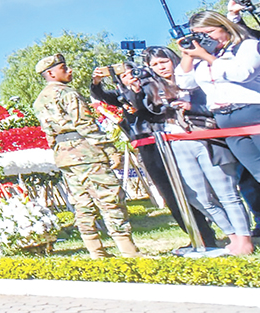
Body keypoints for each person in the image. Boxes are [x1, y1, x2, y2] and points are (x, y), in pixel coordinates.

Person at [90, 64, 221, 250]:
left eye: (130, 73)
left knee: (185, 190)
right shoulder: (123, 95)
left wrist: (136, 89)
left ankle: (206, 234)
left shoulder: (152, 89)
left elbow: (147, 108)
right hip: (146, 147)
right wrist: (96, 82)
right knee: (168, 193)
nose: (128, 78)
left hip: (164, 142)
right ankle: (194, 234)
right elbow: (103, 96)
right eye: (123, 76)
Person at [138, 47, 254, 255]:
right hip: (177, 144)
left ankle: (244, 240)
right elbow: (147, 112)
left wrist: (191, 106)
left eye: (163, 62)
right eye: (154, 65)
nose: (160, 67)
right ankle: (232, 236)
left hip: (208, 141)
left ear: (173, 59)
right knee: (197, 196)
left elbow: (217, 105)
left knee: (227, 194)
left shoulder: (195, 76)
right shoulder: (151, 87)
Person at [33, 53, 142, 258]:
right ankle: (128, 250)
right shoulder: (67, 93)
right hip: (86, 153)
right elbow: (85, 124)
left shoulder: (39, 101)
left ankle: (95, 250)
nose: (69, 70)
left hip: (64, 156)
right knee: (110, 198)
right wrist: (109, 149)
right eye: (64, 68)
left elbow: (48, 134)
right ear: (51, 73)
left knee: (83, 204)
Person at [176, 10, 260, 238]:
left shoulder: (245, 46)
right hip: (227, 120)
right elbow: (184, 81)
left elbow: (243, 73)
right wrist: (189, 54)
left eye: (209, 32)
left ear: (224, 27)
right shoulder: (203, 56)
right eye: (198, 35)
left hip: (258, 113)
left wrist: (209, 58)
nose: (205, 39)